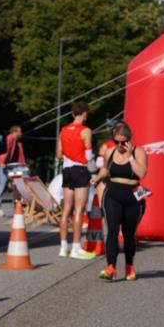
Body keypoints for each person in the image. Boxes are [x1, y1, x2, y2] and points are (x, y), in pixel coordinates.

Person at [92, 122, 148, 281]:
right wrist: (97, 178)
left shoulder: (139, 152)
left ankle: (129, 266)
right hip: (113, 194)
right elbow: (105, 169)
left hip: (133, 195)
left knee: (129, 234)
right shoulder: (110, 151)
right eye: (117, 142)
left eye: (124, 142)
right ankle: (111, 267)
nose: (120, 145)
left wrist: (130, 157)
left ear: (130, 140)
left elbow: (142, 173)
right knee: (112, 230)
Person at [56, 101, 98, 259]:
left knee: (66, 209)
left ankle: (62, 247)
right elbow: (88, 155)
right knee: (79, 210)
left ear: (73, 114)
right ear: (85, 113)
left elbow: (59, 155)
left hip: (66, 170)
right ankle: (75, 248)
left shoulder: (63, 130)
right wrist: (93, 173)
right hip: (81, 170)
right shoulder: (86, 131)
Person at [0, 125, 27, 214]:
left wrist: (24, 165)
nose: (21, 133)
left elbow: (20, 157)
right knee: (1, 187)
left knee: (22, 179)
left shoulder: (18, 143)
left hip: (12, 166)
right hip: (4, 165)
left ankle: (19, 202)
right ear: (14, 132)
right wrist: (1, 162)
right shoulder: (9, 139)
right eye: (20, 132)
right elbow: (5, 151)